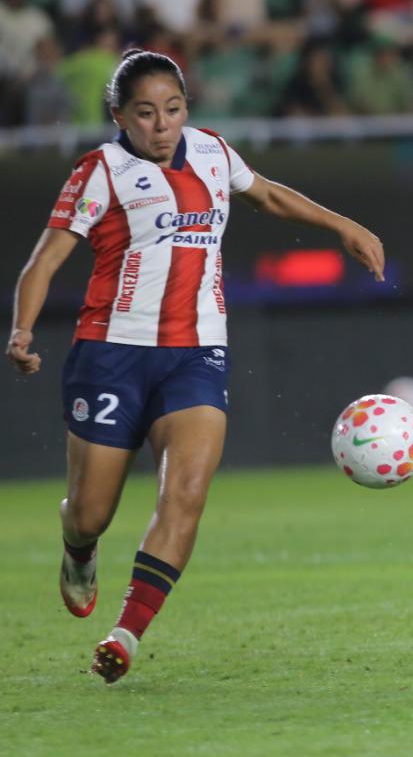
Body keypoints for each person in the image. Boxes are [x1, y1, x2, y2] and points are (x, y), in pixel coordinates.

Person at [6, 50, 385, 684]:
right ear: (118, 116)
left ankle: (125, 634)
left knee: (184, 494)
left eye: (173, 109)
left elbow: (267, 194)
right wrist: (21, 330)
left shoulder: (211, 152)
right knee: (91, 512)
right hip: (111, 354)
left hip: (197, 354)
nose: (162, 125)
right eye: (145, 113)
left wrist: (341, 225)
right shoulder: (100, 172)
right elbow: (44, 261)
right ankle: (78, 547)